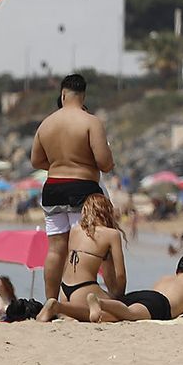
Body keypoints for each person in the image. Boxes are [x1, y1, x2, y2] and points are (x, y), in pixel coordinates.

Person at [32, 74, 117, 303]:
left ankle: (51, 301)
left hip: (52, 189)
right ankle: (107, 297)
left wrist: (59, 164)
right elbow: (104, 163)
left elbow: (36, 161)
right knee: (92, 247)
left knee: (55, 250)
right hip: (83, 189)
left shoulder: (46, 124)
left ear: (63, 94)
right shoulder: (91, 122)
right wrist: (87, 163)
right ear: (83, 96)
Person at [36, 193, 128, 323]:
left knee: (79, 313)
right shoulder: (112, 234)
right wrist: (120, 297)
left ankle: (62, 308)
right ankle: (58, 307)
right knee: (119, 315)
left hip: (64, 290)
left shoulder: (75, 230)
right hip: (84, 289)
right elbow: (120, 275)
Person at [86, 254, 183, 322]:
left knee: (120, 316)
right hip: (160, 303)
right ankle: (100, 302)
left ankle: (94, 312)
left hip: (143, 295)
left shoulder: (165, 278)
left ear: (177, 269)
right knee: (131, 314)